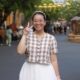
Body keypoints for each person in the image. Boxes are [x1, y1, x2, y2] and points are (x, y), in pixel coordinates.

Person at [17, 11, 61, 80]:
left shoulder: (51, 38)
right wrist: (24, 35)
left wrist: (57, 76)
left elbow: (54, 60)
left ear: (44, 22)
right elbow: (20, 51)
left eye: (40, 20)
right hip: (29, 71)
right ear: (32, 22)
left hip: (46, 72)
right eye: (35, 21)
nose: (38, 23)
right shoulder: (28, 36)